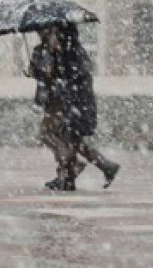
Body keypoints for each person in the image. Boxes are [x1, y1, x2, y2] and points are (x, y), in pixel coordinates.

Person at [26, 24, 120, 191]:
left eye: (50, 32)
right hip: (57, 101)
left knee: (58, 136)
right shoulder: (45, 50)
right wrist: (36, 71)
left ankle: (69, 172)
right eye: (45, 32)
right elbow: (46, 77)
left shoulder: (72, 52)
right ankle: (101, 166)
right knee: (68, 139)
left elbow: (75, 77)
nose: (45, 35)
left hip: (72, 102)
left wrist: (52, 71)